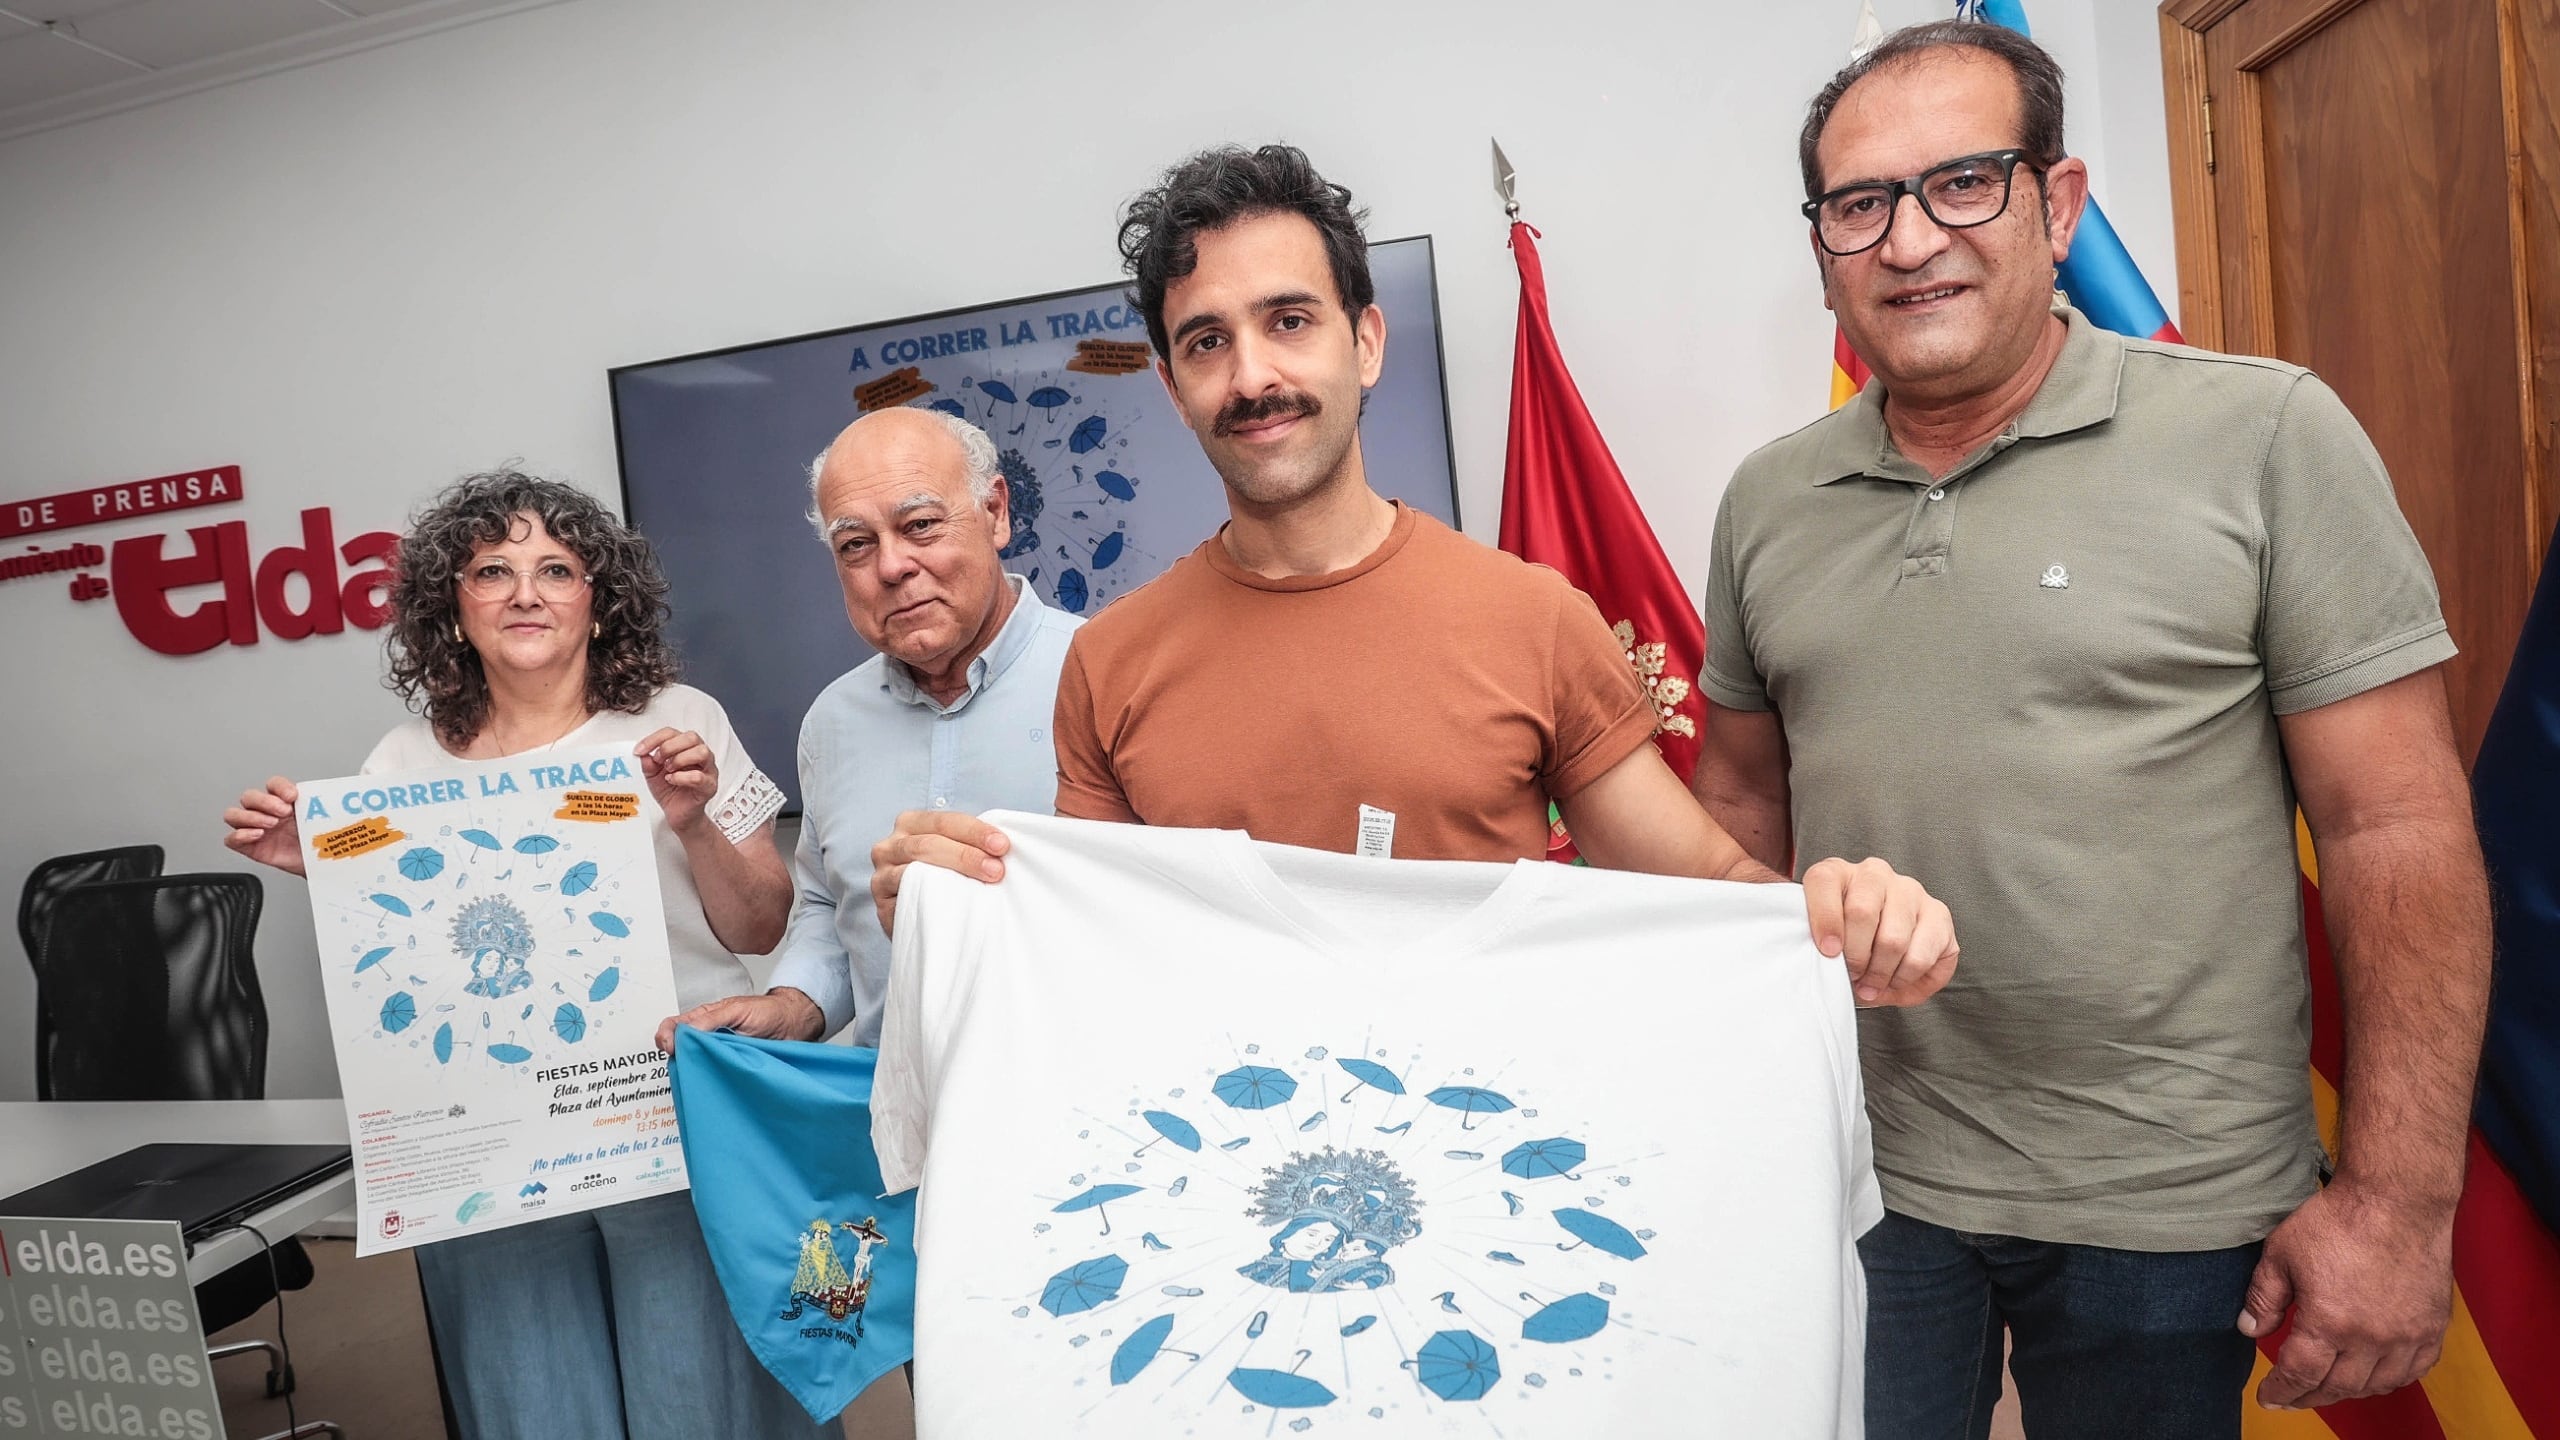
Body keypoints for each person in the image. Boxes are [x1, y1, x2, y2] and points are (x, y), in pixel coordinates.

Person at [1691, 21, 2493, 1437]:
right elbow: (1744, 809)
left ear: (2056, 207)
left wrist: (2396, 1199)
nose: (1910, 238)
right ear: (1821, 243)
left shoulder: (2266, 438)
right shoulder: (1767, 501)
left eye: (1964, 183)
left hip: (2165, 1206)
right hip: (1861, 1180)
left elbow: (2398, 824)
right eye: (1859, 203)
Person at [872, 144, 1961, 1001]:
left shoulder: (1530, 618)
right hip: (1226, 1190)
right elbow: (1083, 953)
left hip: (1492, 1174)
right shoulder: (1108, 663)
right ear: (1170, 387)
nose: (1252, 375)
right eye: (1205, 343)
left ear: (1367, 344)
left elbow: (1710, 895)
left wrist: (1837, 916)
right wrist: (947, 900)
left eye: (1288, 322)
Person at [222, 471, 825, 1440]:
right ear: (451, 608)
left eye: (555, 568)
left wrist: (694, 823)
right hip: (487, 1146)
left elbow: (760, 928)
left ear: (599, 598)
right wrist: (316, 868)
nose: (525, 592)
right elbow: (406, 957)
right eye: (491, 571)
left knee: (700, 1401)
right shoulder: (398, 765)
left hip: (661, 1120)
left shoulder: (677, 724)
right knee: (531, 1403)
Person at [654, 407, 1080, 1051]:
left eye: (921, 526)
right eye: (856, 544)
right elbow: (831, 909)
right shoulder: (832, 721)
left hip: (1089, 1108)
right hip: (895, 1119)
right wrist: (791, 1007)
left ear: (995, 512)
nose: (891, 567)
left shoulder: (1107, 676)